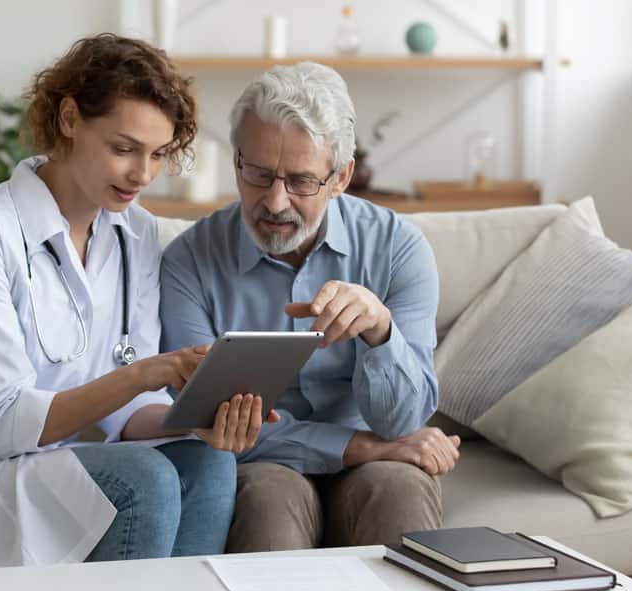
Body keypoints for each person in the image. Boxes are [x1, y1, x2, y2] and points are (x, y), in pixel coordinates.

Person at [0, 33, 275, 570]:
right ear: (70, 118)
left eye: (157, 154)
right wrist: (149, 372)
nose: (142, 176)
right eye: (123, 149)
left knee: (207, 463)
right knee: (140, 479)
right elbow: (6, 426)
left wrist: (197, 419)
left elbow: (123, 416)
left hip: (50, 464)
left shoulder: (137, 234)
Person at [159, 62, 461, 552]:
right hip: (263, 466)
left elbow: (402, 422)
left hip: (379, 465)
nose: (275, 202)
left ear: (340, 177)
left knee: (399, 488)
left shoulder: (398, 248)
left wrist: (380, 331)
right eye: (257, 173)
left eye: (301, 182)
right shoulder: (189, 261)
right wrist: (359, 447)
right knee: (266, 500)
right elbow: (203, 423)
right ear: (236, 159)